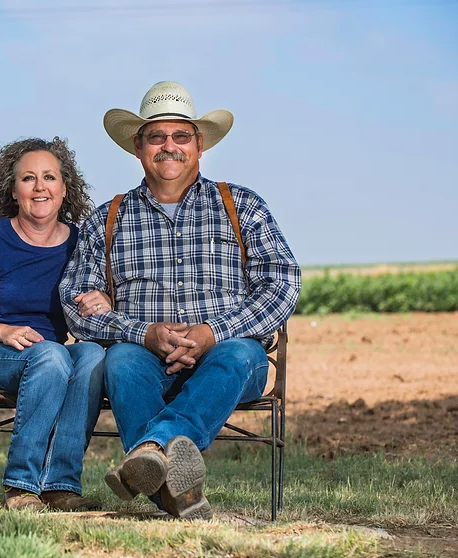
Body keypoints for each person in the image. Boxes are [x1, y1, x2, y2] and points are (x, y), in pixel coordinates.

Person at [59, 82, 301, 520]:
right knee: (121, 362)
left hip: (227, 362)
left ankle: (152, 448)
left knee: (239, 352)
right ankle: (183, 496)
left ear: (199, 144)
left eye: (180, 136)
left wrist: (213, 333)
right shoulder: (108, 218)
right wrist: (142, 333)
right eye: (156, 137)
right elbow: (75, 302)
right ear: (138, 146)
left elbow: (282, 284)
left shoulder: (241, 205)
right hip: (143, 361)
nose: (168, 147)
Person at [0, 137, 111, 512]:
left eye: (49, 178)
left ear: (64, 188)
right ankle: (20, 486)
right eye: (28, 179)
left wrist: (105, 299)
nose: (40, 187)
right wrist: (2, 331)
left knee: (90, 355)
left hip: (50, 355)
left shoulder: (80, 242)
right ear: (13, 190)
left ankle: (60, 486)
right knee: (52, 356)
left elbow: (101, 293)